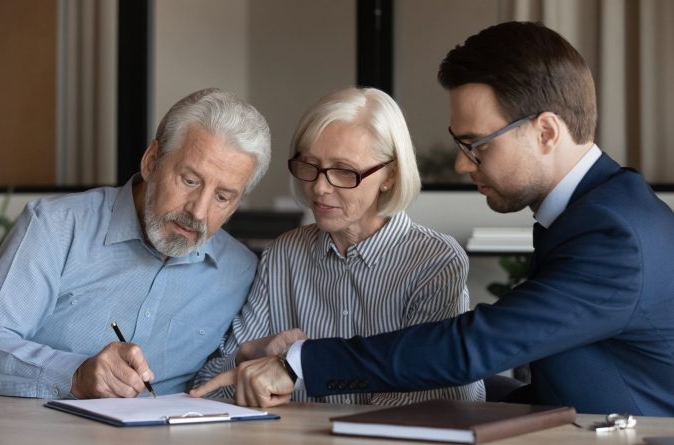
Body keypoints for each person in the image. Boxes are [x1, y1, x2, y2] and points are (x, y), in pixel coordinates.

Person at [194, 22, 674, 416]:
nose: (463, 164)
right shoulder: (599, 209)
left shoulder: (615, 235)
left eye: (478, 145)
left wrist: (300, 365)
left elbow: (474, 347)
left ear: (546, 131)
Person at [190, 87, 484, 405]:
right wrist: (245, 356)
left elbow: (435, 398)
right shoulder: (283, 256)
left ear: (390, 175)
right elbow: (210, 388)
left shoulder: (434, 262)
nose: (318, 187)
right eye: (310, 165)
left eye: (343, 172)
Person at [0, 88, 271, 399]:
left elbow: (215, 385)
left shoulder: (241, 273)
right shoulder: (55, 227)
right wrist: (74, 375)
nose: (198, 211)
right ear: (151, 161)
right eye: (189, 181)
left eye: (222, 197)